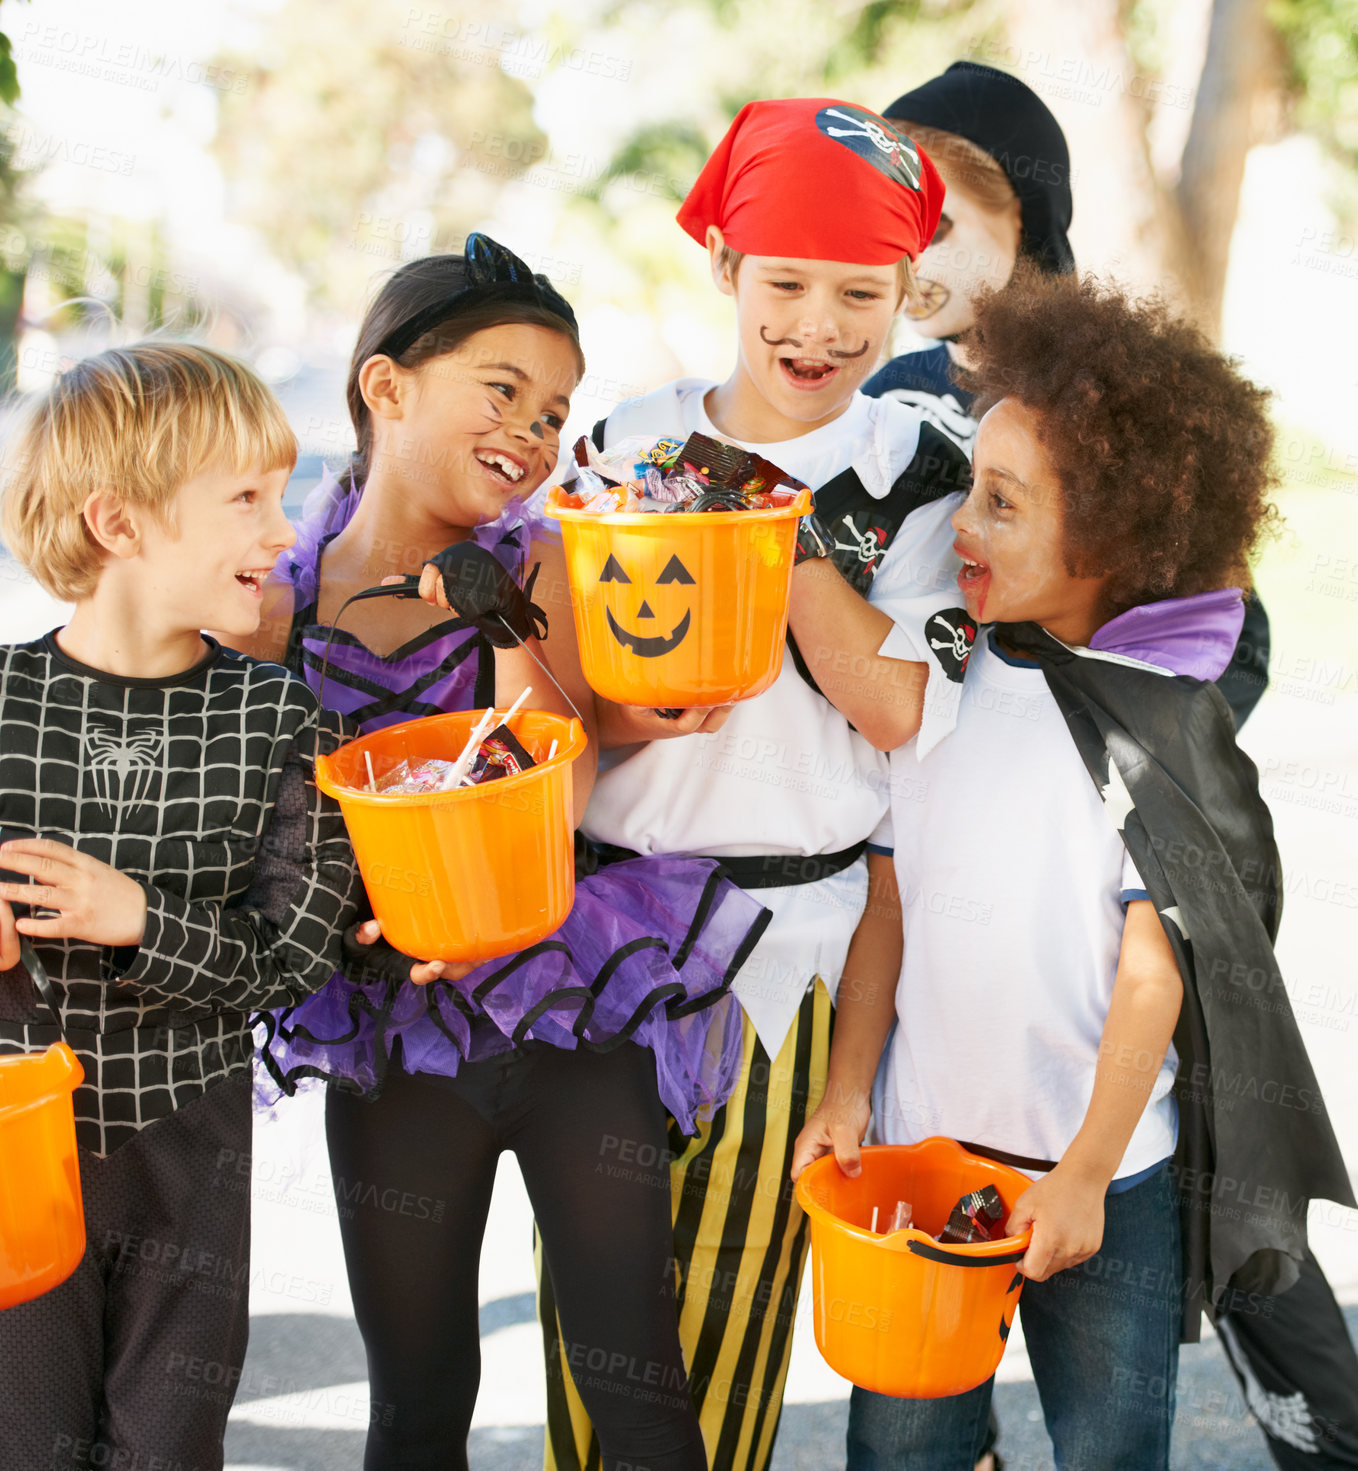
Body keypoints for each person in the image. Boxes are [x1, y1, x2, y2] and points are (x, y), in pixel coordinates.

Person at [863, 60, 1358, 1471]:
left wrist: (1128, 739)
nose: (914, 235)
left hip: (1126, 871)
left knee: (1224, 1205)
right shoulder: (900, 393)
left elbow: (1210, 615)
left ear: (1026, 218)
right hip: (970, 928)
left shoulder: (1106, 383)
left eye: (943, 199)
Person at [232, 233, 769, 1471]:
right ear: (385, 386)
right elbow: (267, 817)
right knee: (417, 1398)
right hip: (390, 1027)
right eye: (503, 390)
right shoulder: (283, 600)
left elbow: (563, 780)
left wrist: (505, 618)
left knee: (632, 1379)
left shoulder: (538, 561)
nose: (532, 432)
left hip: (573, 1007)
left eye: (555, 411)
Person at [537, 97, 971, 1471]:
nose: (819, 325)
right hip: (604, 937)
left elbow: (899, 704)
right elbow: (562, 687)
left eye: (862, 293)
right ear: (725, 265)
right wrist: (626, 710)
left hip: (793, 948)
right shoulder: (626, 438)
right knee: (586, 1324)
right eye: (785, 282)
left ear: (910, 291)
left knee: (725, 1310)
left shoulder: (918, 469)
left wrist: (765, 531)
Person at [0, 343, 361, 1469]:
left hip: (189, 1154)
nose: (281, 531)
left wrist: (139, 918)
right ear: (119, 522)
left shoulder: (276, 716)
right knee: (26, 1441)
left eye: (284, 494)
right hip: (19, 1155)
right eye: (246, 498)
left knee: (167, 1447)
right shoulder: (3, 696)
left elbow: (298, 953)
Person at [863, 58, 1271, 729]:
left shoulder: (1112, 403)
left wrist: (1117, 763)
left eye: (935, 229)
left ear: (1022, 213)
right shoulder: (886, 398)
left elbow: (1235, 636)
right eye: (888, 226)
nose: (907, 261)